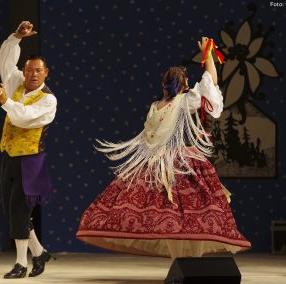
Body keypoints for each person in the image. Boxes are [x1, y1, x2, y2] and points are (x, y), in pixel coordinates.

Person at [77, 37, 251, 258]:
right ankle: (189, 262)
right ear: (185, 84)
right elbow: (210, 83)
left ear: (164, 84)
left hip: (154, 163)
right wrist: (208, 58)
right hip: (177, 163)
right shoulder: (184, 102)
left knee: (167, 215)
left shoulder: (155, 106)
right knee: (190, 213)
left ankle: (180, 261)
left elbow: (150, 137)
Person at [0, 21, 57, 278]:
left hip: (30, 161)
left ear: (46, 72)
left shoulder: (48, 100)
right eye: (28, 70)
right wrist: (16, 37)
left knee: (19, 209)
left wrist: (5, 101)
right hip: (9, 155)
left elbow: (23, 118)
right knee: (12, 209)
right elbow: (4, 62)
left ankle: (21, 263)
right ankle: (39, 252)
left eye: (38, 71)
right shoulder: (17, 82)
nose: (32, 75)